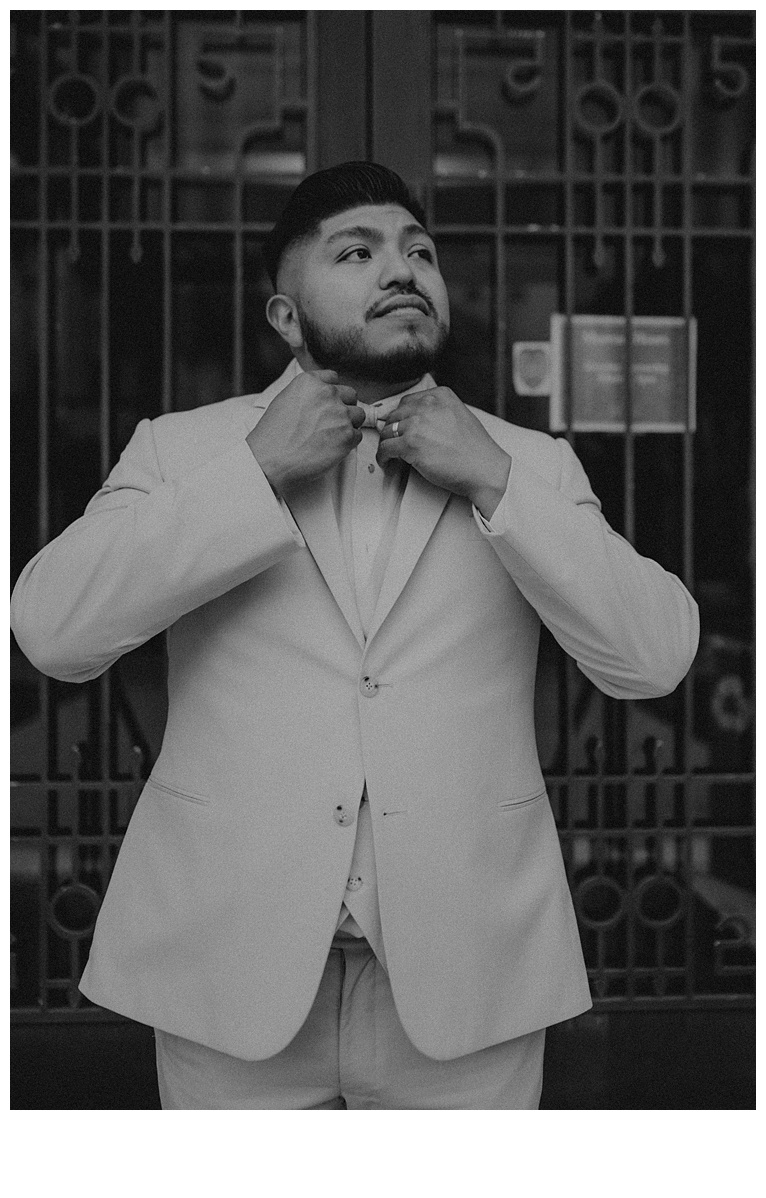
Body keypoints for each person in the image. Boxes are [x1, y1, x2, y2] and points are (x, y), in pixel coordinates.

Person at [11, 161, 699, 1109]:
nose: (402, 268)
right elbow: (51, 629)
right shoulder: (183, 450)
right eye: (357, 251)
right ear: (286, 318)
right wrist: (255, 472)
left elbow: (655, 657)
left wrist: (495, 479)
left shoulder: (529, 460)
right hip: (232, 971)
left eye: (419, 250)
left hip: (467, 977)